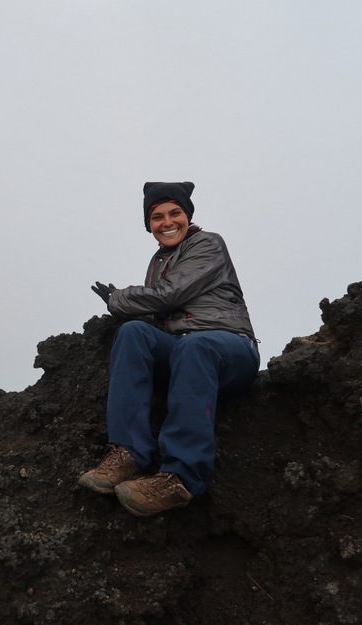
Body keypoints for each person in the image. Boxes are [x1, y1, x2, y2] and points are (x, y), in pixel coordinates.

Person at [78, 181, 260, 517]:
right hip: (185, 348)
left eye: (175, 213)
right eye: (157, 216)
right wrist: (132, 311)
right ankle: (128, 453)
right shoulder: (158, 261)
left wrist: (120, 299)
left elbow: (169, 295)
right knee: (133, 332)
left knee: (195, 344)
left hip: (229, 347)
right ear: (148, 225)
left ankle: (182, 477)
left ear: (188, 216)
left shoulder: (208, 244)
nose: (167, 222)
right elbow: (159, 311)